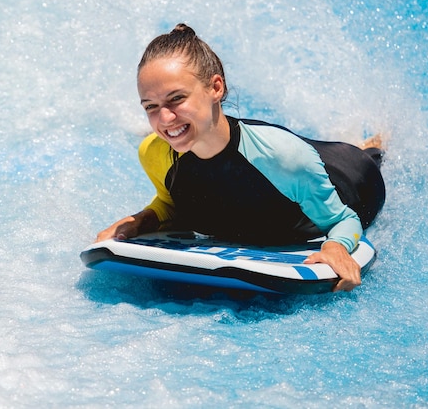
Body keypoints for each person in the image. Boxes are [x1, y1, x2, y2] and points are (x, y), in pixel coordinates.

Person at [96, 24, 385, 292]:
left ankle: (370, 146)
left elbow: (343, 219)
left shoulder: (281, 157)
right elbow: (173, 204)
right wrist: (143, 219)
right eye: (151, 106)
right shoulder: (154, 152)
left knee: (368, 156)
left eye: (177, 99)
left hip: (351, 178)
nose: (165, 118)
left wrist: (336, 245)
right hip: (290, 167)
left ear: (216, 88)